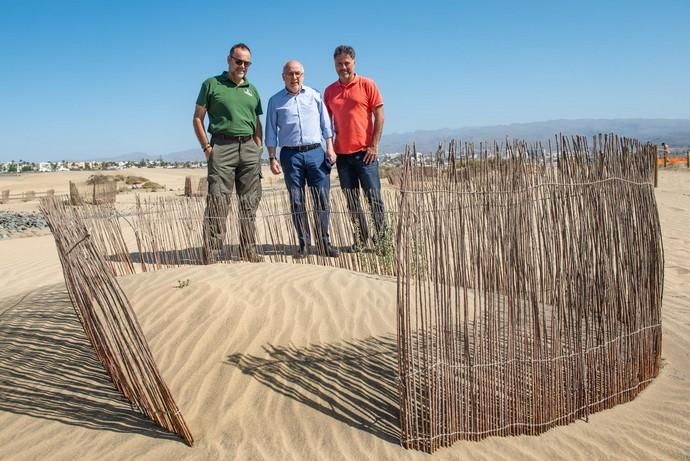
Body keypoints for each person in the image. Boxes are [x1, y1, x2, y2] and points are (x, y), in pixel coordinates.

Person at [193, 43, 264, 263]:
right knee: (218, 200)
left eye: (247, 63)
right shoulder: (211, 84)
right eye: (238, 61)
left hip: (249, 150)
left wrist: (258, 145)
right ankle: (212, 252)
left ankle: (248, 249)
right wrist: (207, 147)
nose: (242, 66)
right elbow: (197, 117)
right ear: (229, 60)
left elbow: (256, 120)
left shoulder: (252, 89)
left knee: (249, 202)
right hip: (222, 148)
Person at [266, 60, 339, 258]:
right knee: (297, 201)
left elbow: (326, 124)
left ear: (303, 75)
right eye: (290, 74)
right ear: (283, 77)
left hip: (316, 152)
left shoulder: (315, 96)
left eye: (297, 73)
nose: (294, 77)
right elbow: (271, 132)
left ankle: (324, 243)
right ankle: (304, 244)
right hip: (290, 156)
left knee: (321, 199)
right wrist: (272, 157)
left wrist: (330, 148)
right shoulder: (275, 101)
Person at [324, 45, 386, 253]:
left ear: (354, 62)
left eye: (346, 63)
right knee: (352, 202)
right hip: (342, 156)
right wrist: (330, 148)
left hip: (366, 154)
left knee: (374, 199)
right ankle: (360, 239)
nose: (343, 67)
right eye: (339, 64)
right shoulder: (330, 91)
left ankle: (382, 241)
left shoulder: (368, 84)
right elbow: (327, 124)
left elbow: (380, 116)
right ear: (334, 66)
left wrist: (374, 145)